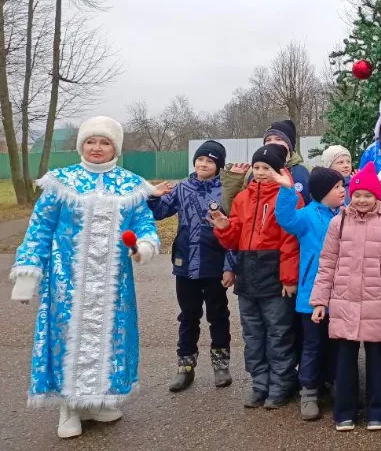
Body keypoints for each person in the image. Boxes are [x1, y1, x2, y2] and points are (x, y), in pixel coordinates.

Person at [11, 116, 161, 439]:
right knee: (68, 340)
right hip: (68, 284)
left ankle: (95, 401)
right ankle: (69, 407)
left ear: (115, 148)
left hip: (113, 286)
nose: (97, 148)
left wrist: (144, 247)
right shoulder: (60, 183)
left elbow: (146, 224)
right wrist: (28, 273)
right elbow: (39, 228)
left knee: (109, 339)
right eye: (91, 141)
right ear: (81, 145)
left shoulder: (131, 185)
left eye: (104, 142)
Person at [309, 163, 381, 432]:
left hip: (376, 301)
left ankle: (376, 410)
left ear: (377, 197)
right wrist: (319, 301)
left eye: (367, 195)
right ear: (351, 194)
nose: (361, 200)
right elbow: (327, 263)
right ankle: (344, 411)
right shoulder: (339, 221)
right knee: (345, 360)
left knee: (376, 360)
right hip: (344, 300)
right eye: (357, 194)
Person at [210, 144, 300, 410]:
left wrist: (288, 278)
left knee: (278, 333)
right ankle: (259, 383)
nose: (261, 173)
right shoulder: (242, 198)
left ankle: (281, 384)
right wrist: (224, 227)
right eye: (257, 168)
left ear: (279, 171)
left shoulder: (288, 197)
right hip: (248, 275)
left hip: (274, 275)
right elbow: (235, 237)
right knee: (252, 334)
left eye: (267, 169)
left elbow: (290, 242)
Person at [149, 140, 233, 393]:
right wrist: (153, 197)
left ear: (218, 165)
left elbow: (233, 229)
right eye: (199, 160)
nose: (203, 164)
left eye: (209, 161)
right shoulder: (183, 188)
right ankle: (185, 366)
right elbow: (160, 212)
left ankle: (221, 365)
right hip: (185, 263)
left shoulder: (226, 191)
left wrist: (230, 264)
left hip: (214, 262)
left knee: (218, 314)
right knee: (188, 315)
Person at [274, 166, 345, 421]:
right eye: (337, 187)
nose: (342, 191)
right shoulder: (306, 217)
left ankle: (340, 387)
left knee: (338, 345)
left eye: (342, 186)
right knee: (312, 345)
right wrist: (286, 190)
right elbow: (284, 218)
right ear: (324, 192)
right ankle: (309, 392)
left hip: (341, 294)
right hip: (311, 294)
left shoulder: (346, 215)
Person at [220, 120, 313, 212]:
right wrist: (233, 180)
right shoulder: (252, 173)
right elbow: (233, 210)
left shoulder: (306, 171)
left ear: (290, 144)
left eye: (279, 139)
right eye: (268, 140)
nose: (272, 142)